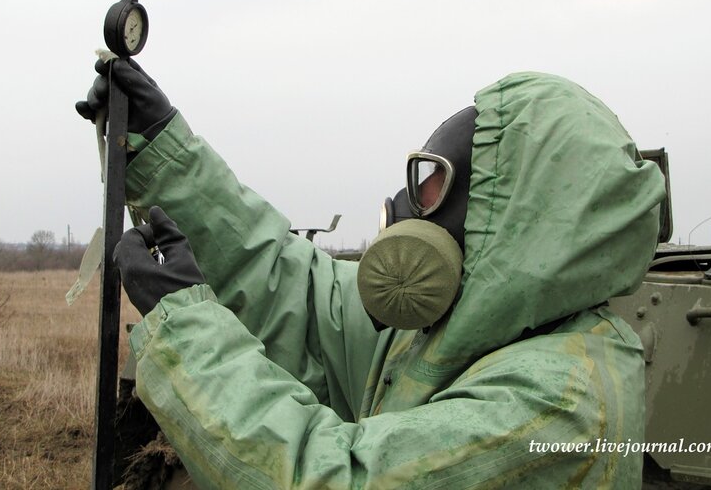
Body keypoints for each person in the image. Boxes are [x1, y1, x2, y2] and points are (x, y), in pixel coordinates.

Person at [77, 60, 666, 489]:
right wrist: (162, 151)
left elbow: (329, 479)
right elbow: (295, 292)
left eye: (430, 184)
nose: (405, 207)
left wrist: (184, 329)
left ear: (515, 216)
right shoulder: (458, 329)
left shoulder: (562, 407)